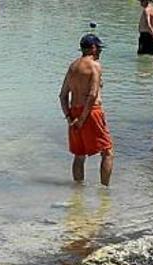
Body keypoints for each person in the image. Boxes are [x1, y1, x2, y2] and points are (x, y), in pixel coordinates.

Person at [59, 34, 114, 186]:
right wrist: (82, 119)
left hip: (74, 111)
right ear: (93, 48)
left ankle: (78, 191)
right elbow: (92, 94)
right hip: (90, 112)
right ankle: (105, 191)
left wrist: (70, 118)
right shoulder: (94, 65)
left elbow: (62, 95)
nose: (100, 53)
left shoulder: (73, 66)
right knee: (107, 152)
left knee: (79, 154)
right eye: (99, 49)